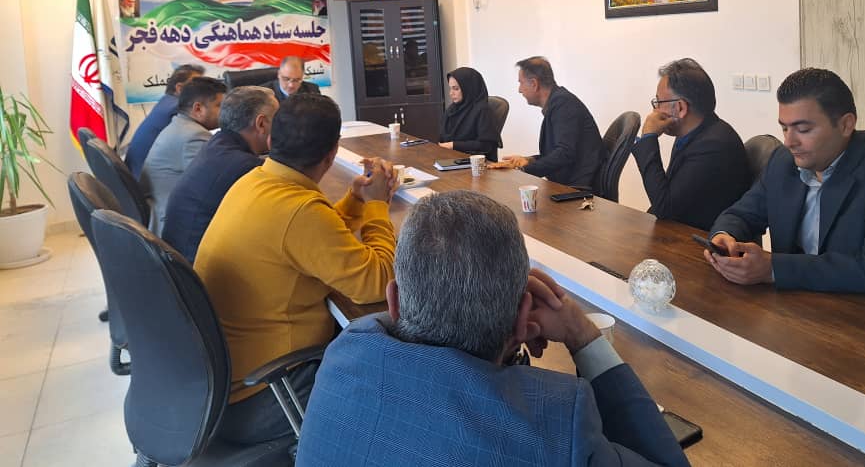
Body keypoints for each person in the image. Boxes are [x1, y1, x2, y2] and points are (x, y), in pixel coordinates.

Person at [297, 190, 690, 467]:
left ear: (394, 301)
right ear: (522, 318)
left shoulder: (345, 352)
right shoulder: (557, 420)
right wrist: (579, 333)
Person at [194, 93, 398, 446]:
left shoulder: (255, 182)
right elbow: (377, 282)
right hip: (268, 391)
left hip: (221, 383)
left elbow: (310, 237)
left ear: (271, 139)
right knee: (395, 375)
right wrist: (377, 206)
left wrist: (355, 200)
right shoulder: (300, 210)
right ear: (332, 153)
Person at [705, 68, 865, 301]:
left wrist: (772, 269)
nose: (789, 142)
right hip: (805, 303)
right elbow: (740, 214)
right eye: (785, 128)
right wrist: (725, 237)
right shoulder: (782, 161)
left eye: (803, 129)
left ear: (846, 125)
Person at [161, 86, 278, 263]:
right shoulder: (245, 166)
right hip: (199, 268)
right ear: (261, 124)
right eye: (277, 120)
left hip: (180, 260)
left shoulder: (217, 144)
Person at [632, 59, 751, 230]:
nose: (655, 111)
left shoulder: (713, 146)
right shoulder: (696, 132)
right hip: (679, 229)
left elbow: (665, 208)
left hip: (699, 240)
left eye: (658, 103)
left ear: (680, 108)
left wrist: (648, 138)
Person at [503, 56, 604, 190]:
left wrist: (523, 170)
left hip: (578, 190)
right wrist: (528, 160)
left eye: (521, 83)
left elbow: (565, 154)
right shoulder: (559, 102)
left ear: (534, 84)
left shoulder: (564, 105)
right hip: (569, 183)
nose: (519, 90)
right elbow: (557, 153)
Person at [141, 76, 225, 236]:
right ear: (198, 109)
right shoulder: (194, 136)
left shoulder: (180, 125)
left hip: (162, 213)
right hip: (175, 225)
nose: (224, 112)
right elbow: (214, 186)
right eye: (219, 105)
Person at [125, 64, 205, 177]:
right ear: (180, 88)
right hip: (145, 180)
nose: (204, 91)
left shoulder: (166, 101)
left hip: (137, 174)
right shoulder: (176, 109)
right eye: (198, 86)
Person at [437, 67, 500, 162]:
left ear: (469, 88)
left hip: (477, 164)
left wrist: (453, 145)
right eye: (450, 88)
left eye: (456, 89)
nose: (451, 93)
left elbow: (486, 145)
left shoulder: (483, 110)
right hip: (452, 158)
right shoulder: (452, 109)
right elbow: (443, 137)